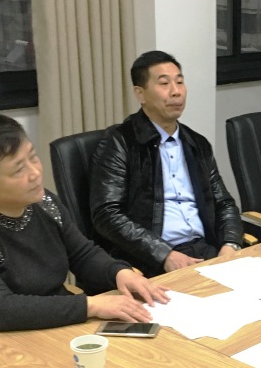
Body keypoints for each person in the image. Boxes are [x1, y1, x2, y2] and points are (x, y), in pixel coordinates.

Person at [0, 113, 166, 343]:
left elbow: (82, 255)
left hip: (50, 326)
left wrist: (119, 273)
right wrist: (91, 305)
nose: (35, 173)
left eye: (33, 157)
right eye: (18, 170)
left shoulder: (44, 203)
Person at [90, 50, 244, 276]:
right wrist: (164, 254)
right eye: (164, 83)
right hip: (150, 259)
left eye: (179, 82)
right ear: (140, 94)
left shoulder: (196, 143)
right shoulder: (121, 142)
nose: (176, 91)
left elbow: (224, 203)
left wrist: (230, 245)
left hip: (205, 251)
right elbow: (107, 214)